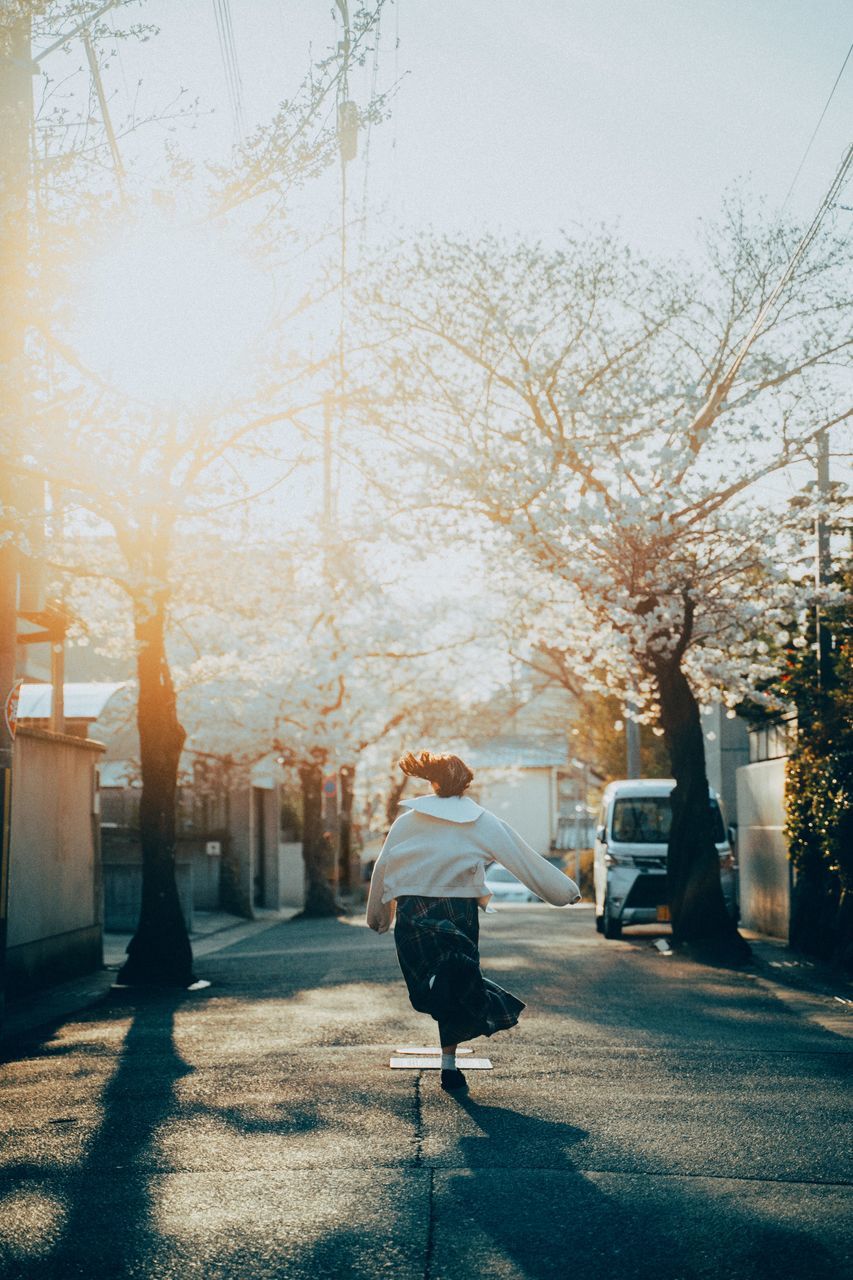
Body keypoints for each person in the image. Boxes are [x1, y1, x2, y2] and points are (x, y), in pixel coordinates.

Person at [367, 749, 581, 1092]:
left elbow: (383, 866)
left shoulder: (407, 822)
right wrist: (564, 892)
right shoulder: (480, 820)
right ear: (466, 784)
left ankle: (436, 982)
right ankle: (449, 1065)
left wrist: (378, 915)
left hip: (413, 908)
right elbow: (521, 856)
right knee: (457, 982)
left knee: (428, 989)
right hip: (458, 909)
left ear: (432, 781)